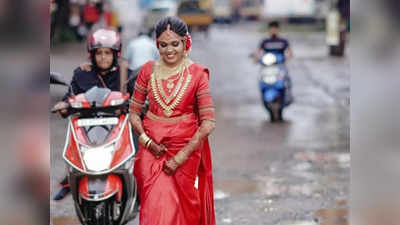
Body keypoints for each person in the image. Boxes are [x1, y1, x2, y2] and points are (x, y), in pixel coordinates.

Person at [129, 17, 217, 225]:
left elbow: (208, 123)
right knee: (154, 207)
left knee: (184, 211)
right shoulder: (147, 70)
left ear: (186, 43)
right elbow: (133, 113)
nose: (169, 50)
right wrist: (147, 142)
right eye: (163, 45)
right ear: (156, 44)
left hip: (184, 152)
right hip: (152, 150)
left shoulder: (197, 74)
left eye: (175, 44)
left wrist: (180, 157)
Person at [52, 28, 135, 200]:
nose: (103, 57)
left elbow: (139, 95)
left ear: (115, 54)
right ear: (92, 54)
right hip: (87, 126)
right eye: (99, 53)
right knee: (74, 155)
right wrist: (64, 104)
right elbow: (70, 95)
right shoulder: (82, 73)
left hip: (118, 126)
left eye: (107, 53)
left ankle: (139, 188)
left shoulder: (125, 73)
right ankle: (71, 180)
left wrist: (139, 104)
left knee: (140, 157)